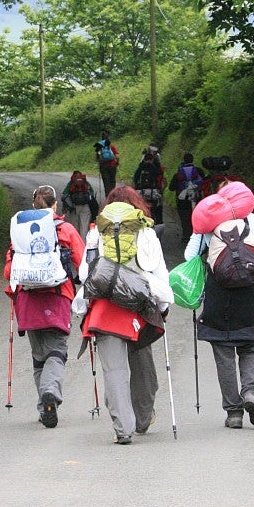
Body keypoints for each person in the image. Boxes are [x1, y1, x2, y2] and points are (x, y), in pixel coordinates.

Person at [76, 186, 173, 444]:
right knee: (143, 366)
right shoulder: (146, 232)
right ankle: (142, 419)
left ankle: (123, 429)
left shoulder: (97, 232)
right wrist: (163, 309)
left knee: (114, 370)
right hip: (139, 308)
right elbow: (159, 273)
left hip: (104, 310)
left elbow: (85, 275)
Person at [184, 182, 254, 429]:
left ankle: (234, 413)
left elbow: (189, 256)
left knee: (223, 351)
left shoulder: (208, 224)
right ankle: (250, 392)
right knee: (250, 344)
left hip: (218, 293)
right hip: (248, 292)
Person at [4, 184, 86, 429]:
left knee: (39, 357)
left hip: (27, 301)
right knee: (57, 352)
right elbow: (83, 264)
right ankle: (50, 393)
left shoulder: (20, 233)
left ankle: (44, 408)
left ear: (33, 205)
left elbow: (9, 271)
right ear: (55, 205)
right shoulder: (65, 229)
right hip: (58, 297)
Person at [169, 153, 205, 247]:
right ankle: (197, 238)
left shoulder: (178, 174)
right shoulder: (199, 171)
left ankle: (186, 238)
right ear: (193, 160)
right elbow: (204, 184)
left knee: (185, 220)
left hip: (182, 202)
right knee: (196, 219)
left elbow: (171, 188)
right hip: (196, 200)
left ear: (183, 160)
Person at [60, 170, 98, 241]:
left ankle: (76, 244)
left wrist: (65, 207)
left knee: (75, 227)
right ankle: (84, 245)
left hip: (74, 207)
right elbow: (91, 194)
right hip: (85, 207)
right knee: (84, 227)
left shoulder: (71, 183)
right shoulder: (86, 183)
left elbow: (65, 195)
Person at [132, 147, 167, 225]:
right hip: (154, 193)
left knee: (143, 210)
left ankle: (144, 224)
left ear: (144, 159)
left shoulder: (140, 168)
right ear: (152, 160)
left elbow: (134, 180)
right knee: (157, 211)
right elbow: (162, 180)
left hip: (142, 193)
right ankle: (158, 225)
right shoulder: (156, 168)